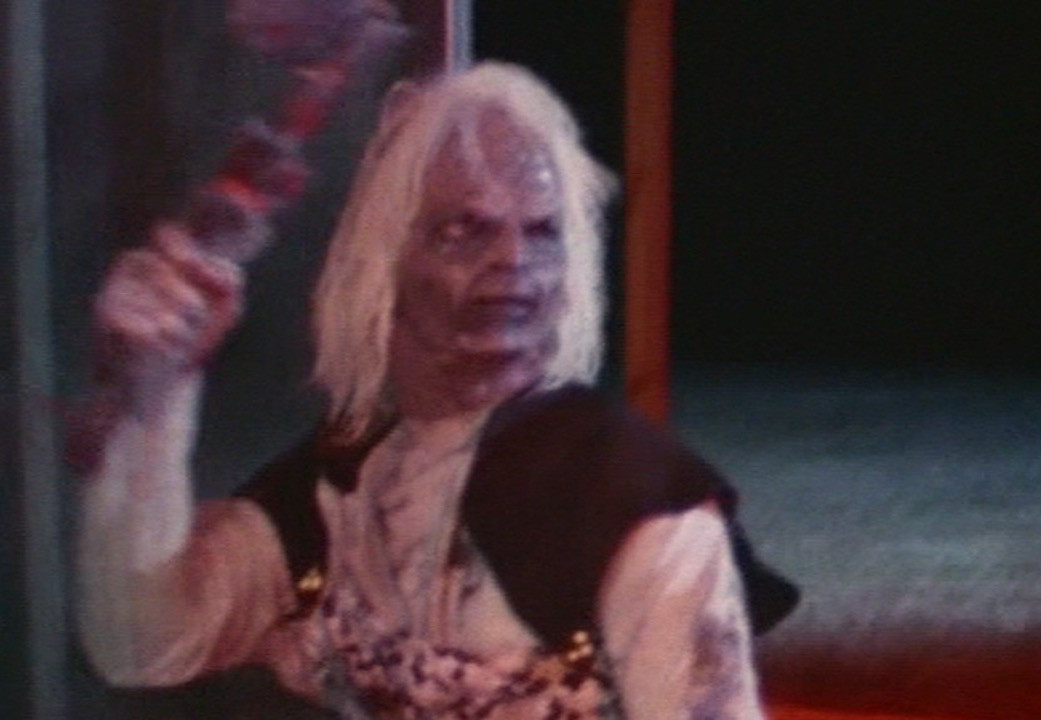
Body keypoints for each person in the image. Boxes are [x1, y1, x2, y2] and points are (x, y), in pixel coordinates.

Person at [77, 62, 796, 720]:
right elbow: (143, 642)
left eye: (542, 232)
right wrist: (154, 400)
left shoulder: (642, 515)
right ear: (385, 262)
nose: (514, 262)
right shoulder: (339, 485)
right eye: (465, 231)